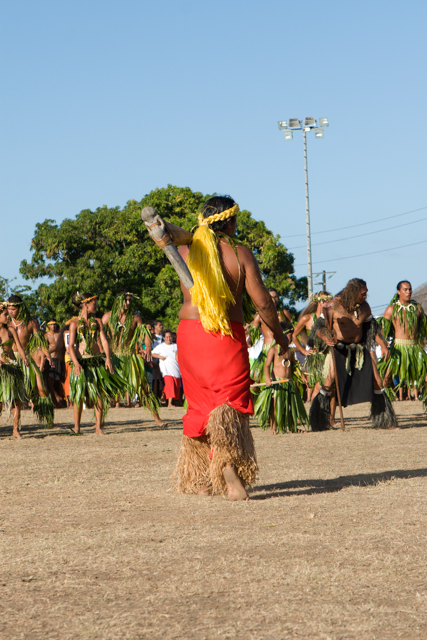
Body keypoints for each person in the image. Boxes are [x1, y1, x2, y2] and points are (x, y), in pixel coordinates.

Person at [174, 195, 289, 500]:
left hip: (189, 336)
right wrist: (281, 338)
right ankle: (228, 474)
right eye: (236, 220)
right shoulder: (239, 254)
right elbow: (263, 303)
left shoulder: (186, 251)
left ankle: (200, 480)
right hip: (225, 336)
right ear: (229, 222)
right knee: (229, 405)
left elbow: (162, 237)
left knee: (200, 405)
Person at [309, 278, 397, 430]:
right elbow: (318, 327)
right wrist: (325, 336)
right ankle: (320, 421)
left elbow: (372, 328)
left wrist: (383, 345)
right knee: (329, 382)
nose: (365, 296)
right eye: (363, 293)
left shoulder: (365, 307)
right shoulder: (333, 306)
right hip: (339, 349)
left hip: (360, 350)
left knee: (377, 380)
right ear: (354, 292)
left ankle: (384, 420)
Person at [68, 292, 126, 435]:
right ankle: (76, 427)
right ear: (86, 304)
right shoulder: (75, 323)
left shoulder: (98, 322)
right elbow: (70, 346)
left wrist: (107, 358)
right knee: (79, 395)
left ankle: (98, 427)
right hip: (81, 361)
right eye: (95, 303)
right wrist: (76, 363)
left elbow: (104, 341)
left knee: (99, 394)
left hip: (96, 360)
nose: (97, 306)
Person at [102, 291, 163, 424]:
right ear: (118, 301)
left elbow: (145, 333)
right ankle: (99, 422)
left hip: (130, 357)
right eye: (126, 300)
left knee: (145, 388)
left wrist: (147, 347)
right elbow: (100, 337)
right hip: (114, 358)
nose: (128, 303)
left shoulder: (135, 317)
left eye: (130, 300)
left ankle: (157, 418)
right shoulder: (107, 317)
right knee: (104, 390)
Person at [7, 295, 55, 425]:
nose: (10, 311)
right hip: (10, 359)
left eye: (13, 309)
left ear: (20, 308)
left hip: (26, 359)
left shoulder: (31, 322)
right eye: (9, 309)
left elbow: (40, 342)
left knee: (42, 387)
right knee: (13, 395)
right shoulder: (6, 322)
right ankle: (14, 427)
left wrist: (48, 356)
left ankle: (49, 420)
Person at [255, 322, 308, 434]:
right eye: (290, 336)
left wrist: (302, 375)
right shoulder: (273, 350)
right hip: (277, 383)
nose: (292, 338)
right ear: (282, 336)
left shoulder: (290, 351)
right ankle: (274, 427)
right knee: (275, 406)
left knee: (291, 405)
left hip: (288, 382)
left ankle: (293, 427)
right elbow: (267, 365)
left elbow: (294, 366)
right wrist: (268, 378)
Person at [378, 281, 427, 401]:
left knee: (425, 376)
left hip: (415, 348)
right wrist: (384, 344)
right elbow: (383, 331)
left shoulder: (418, 309)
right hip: (398, 349)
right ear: (398, 292)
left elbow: (423, 329)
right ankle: (380, 402)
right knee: (387, 377)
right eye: (405, 289)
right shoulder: (391, 309)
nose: (408, 292)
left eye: (410, 289)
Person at [250, 289, 292, 382]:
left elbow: (292, 330)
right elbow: (252, 334)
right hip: (267, 348)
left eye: (275, 297)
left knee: (285, 376)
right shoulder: (260, 315)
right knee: (259, 378)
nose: (274, 300)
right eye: (271, 297)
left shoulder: (284, 314)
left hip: (282, 348)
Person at [0, 302, 29, 438]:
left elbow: (19, 346)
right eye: (5, 314)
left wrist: (24, 358)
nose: (8, 316)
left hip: (12, 368)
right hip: (0, 370)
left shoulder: (11, 330)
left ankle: (15, 430)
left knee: (16, 400)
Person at [152, 330, 181, 408]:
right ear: (164, 338)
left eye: (170, 337)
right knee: (170, 384)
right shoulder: (161, 346)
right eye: (167, 337)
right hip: (166, 370)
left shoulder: (176, 346)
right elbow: (152, 353)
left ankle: (164, 395)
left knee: (174, 386)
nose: (169, 338)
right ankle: (169, 403)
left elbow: (179, 353)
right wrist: (160, 357)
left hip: (175, 369)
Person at [44, 320, 66, 407]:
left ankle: (66, 401)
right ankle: (54, 402)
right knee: (50, 382)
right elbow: (44, 349)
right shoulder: (46, 336)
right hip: (51, 360)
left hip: (61, 360)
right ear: (48, 326)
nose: (53, 326)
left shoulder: (60, 334)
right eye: (51, 325)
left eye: (54, 324)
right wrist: (54, 348)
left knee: (62, 381)